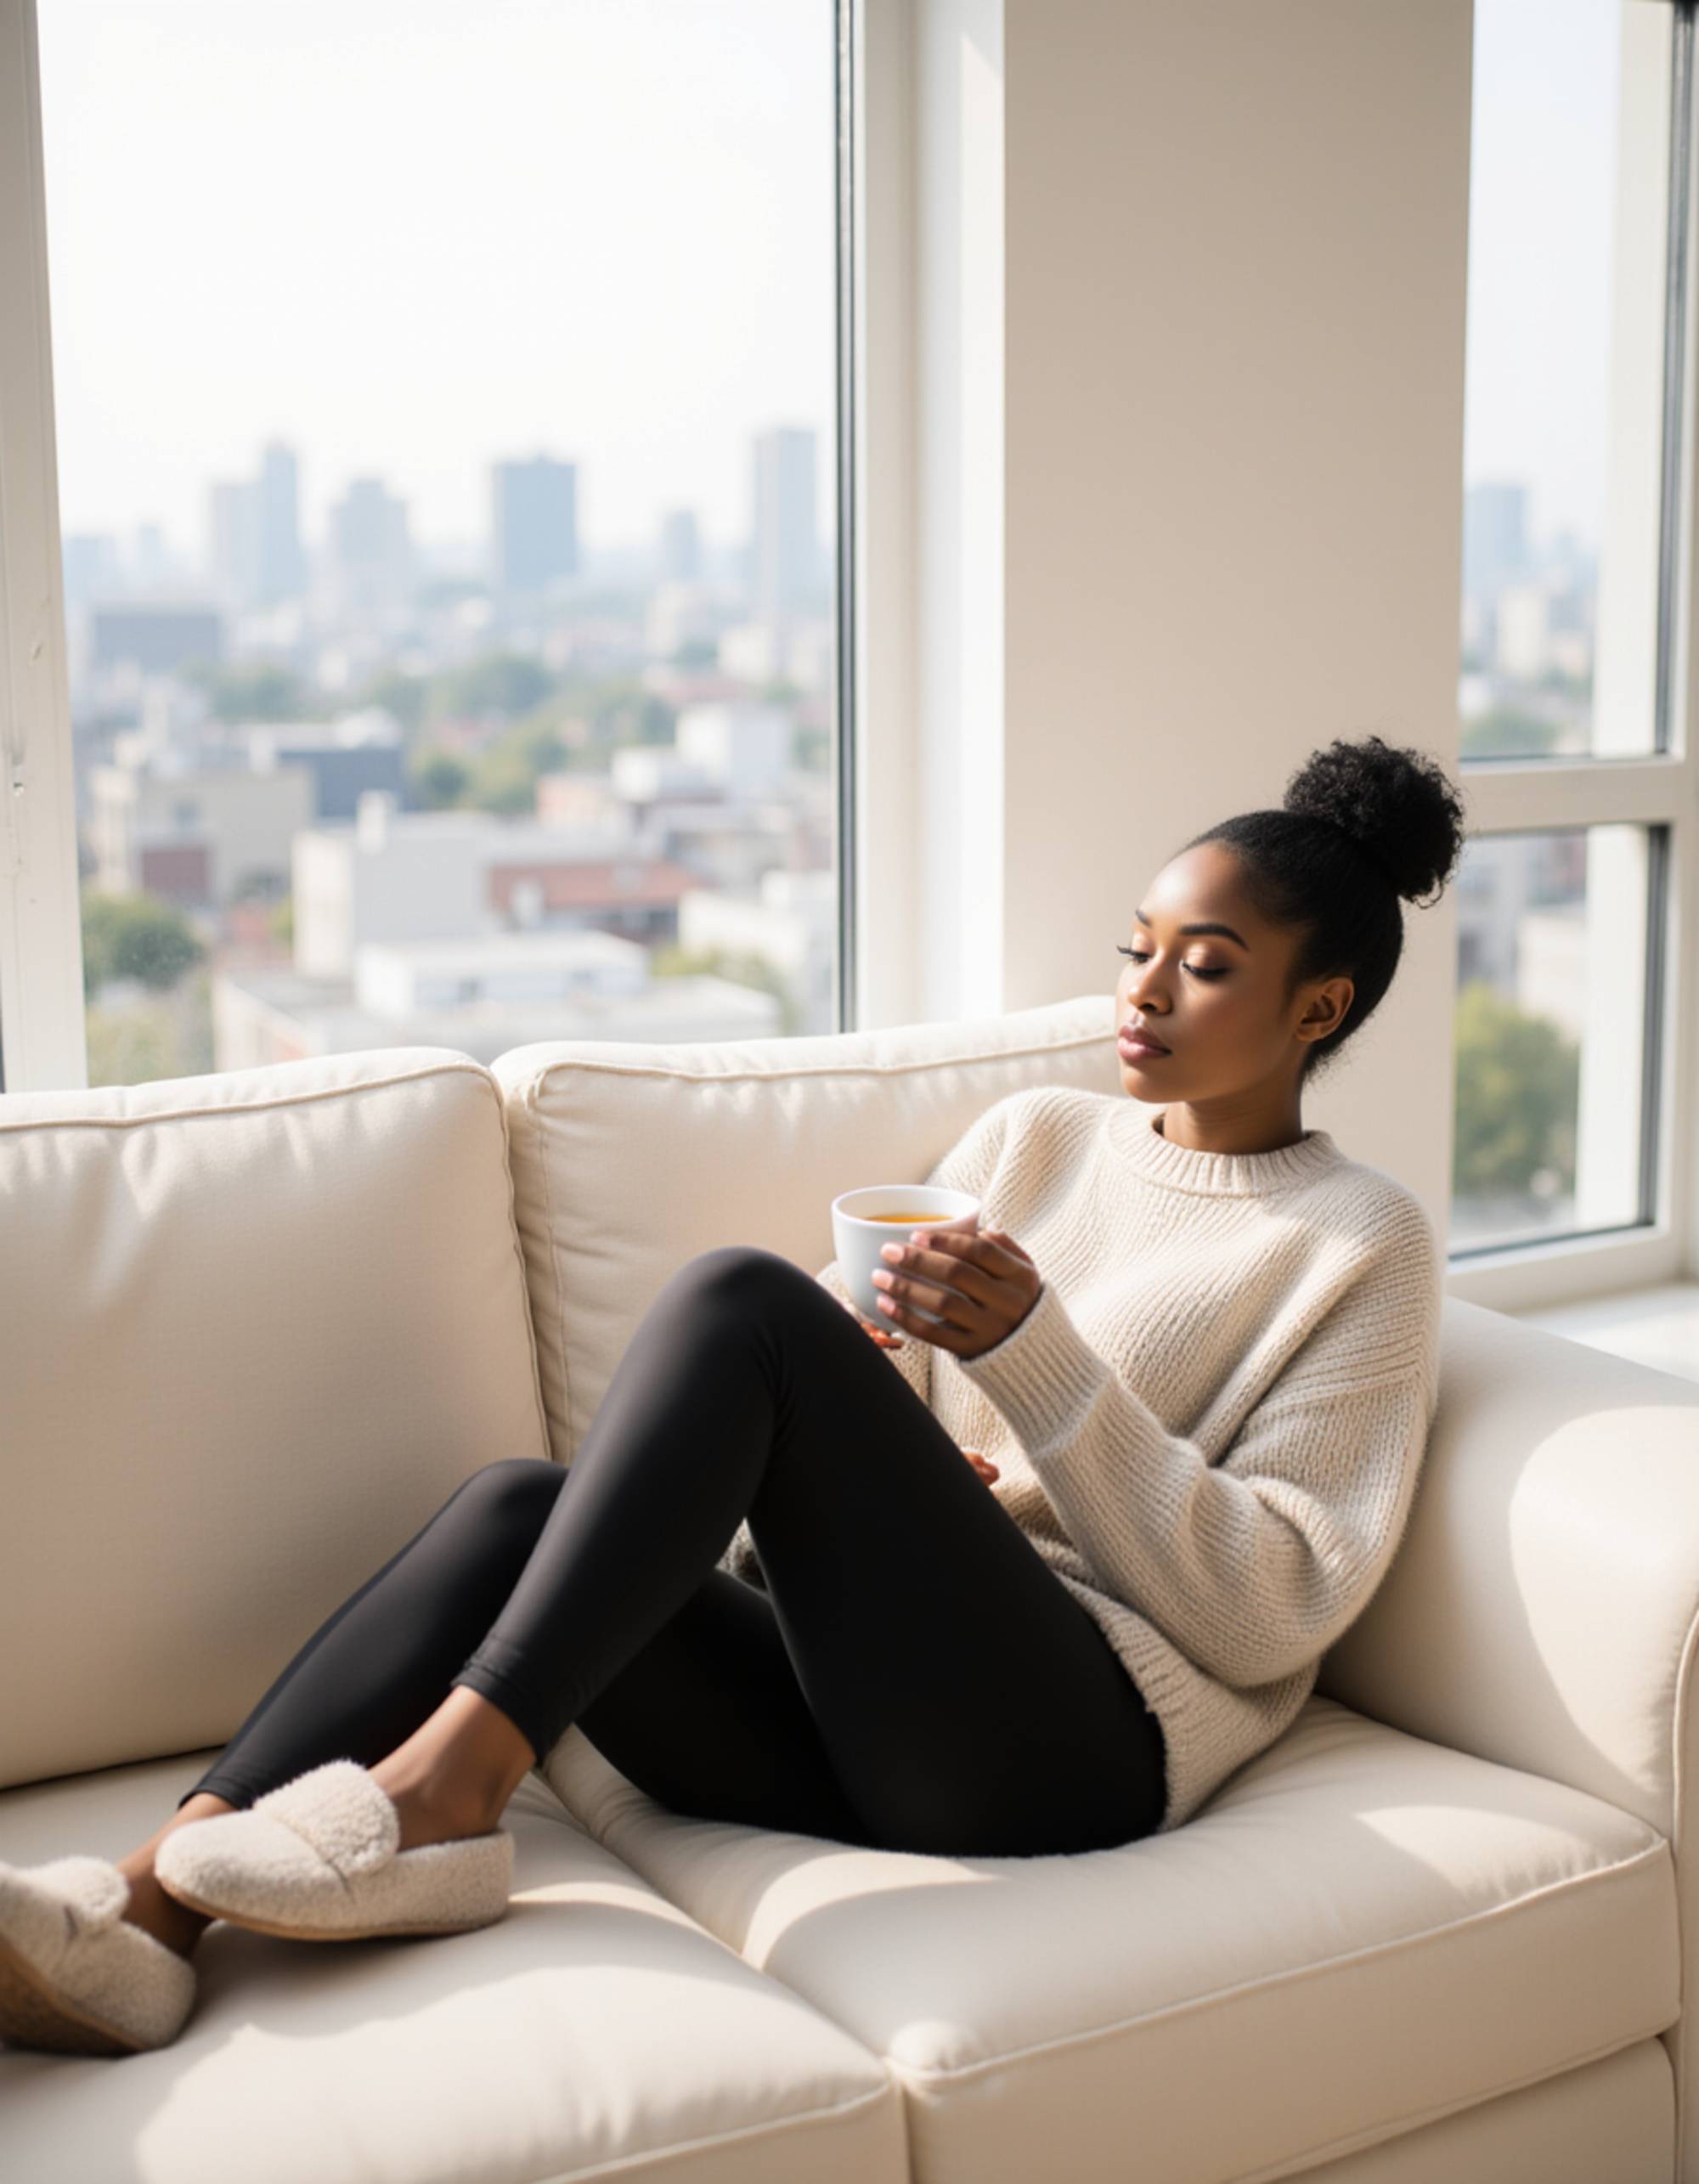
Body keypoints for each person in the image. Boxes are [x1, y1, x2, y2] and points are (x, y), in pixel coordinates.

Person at [0, 731, 1465, 2057]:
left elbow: (1279, 1607)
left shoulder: (1360, 1240)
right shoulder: (1041, 1138)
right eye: (1137, 946)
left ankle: (443, 1797)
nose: (1142, 991)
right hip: (874, 1709)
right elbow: (856, 1392)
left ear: (1316, 1003)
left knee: (737, 1301)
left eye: (1203, 964)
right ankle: (144, 1921)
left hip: (1072, 1754)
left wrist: (1042, 1367)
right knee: (521, 1503)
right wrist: (897, 1465)